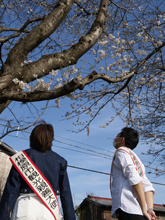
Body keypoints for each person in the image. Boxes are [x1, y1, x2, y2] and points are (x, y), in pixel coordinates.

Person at [0, 121, 76, 220]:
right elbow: (66, 195)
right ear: (51, 139)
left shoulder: (22, 159)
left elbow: (10, 193)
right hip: (49, 211)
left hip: (24, 207)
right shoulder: (60, 162)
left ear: (32, 138)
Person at [110, 127, 156, 220]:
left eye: (117, 136)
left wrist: (144, 209)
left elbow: (135, 179)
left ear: (122, 139)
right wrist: (149, 209)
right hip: (138, 213)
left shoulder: (121, 152)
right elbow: (147, 186)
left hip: (127, 208)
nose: (115, 138)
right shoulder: (137, 159)